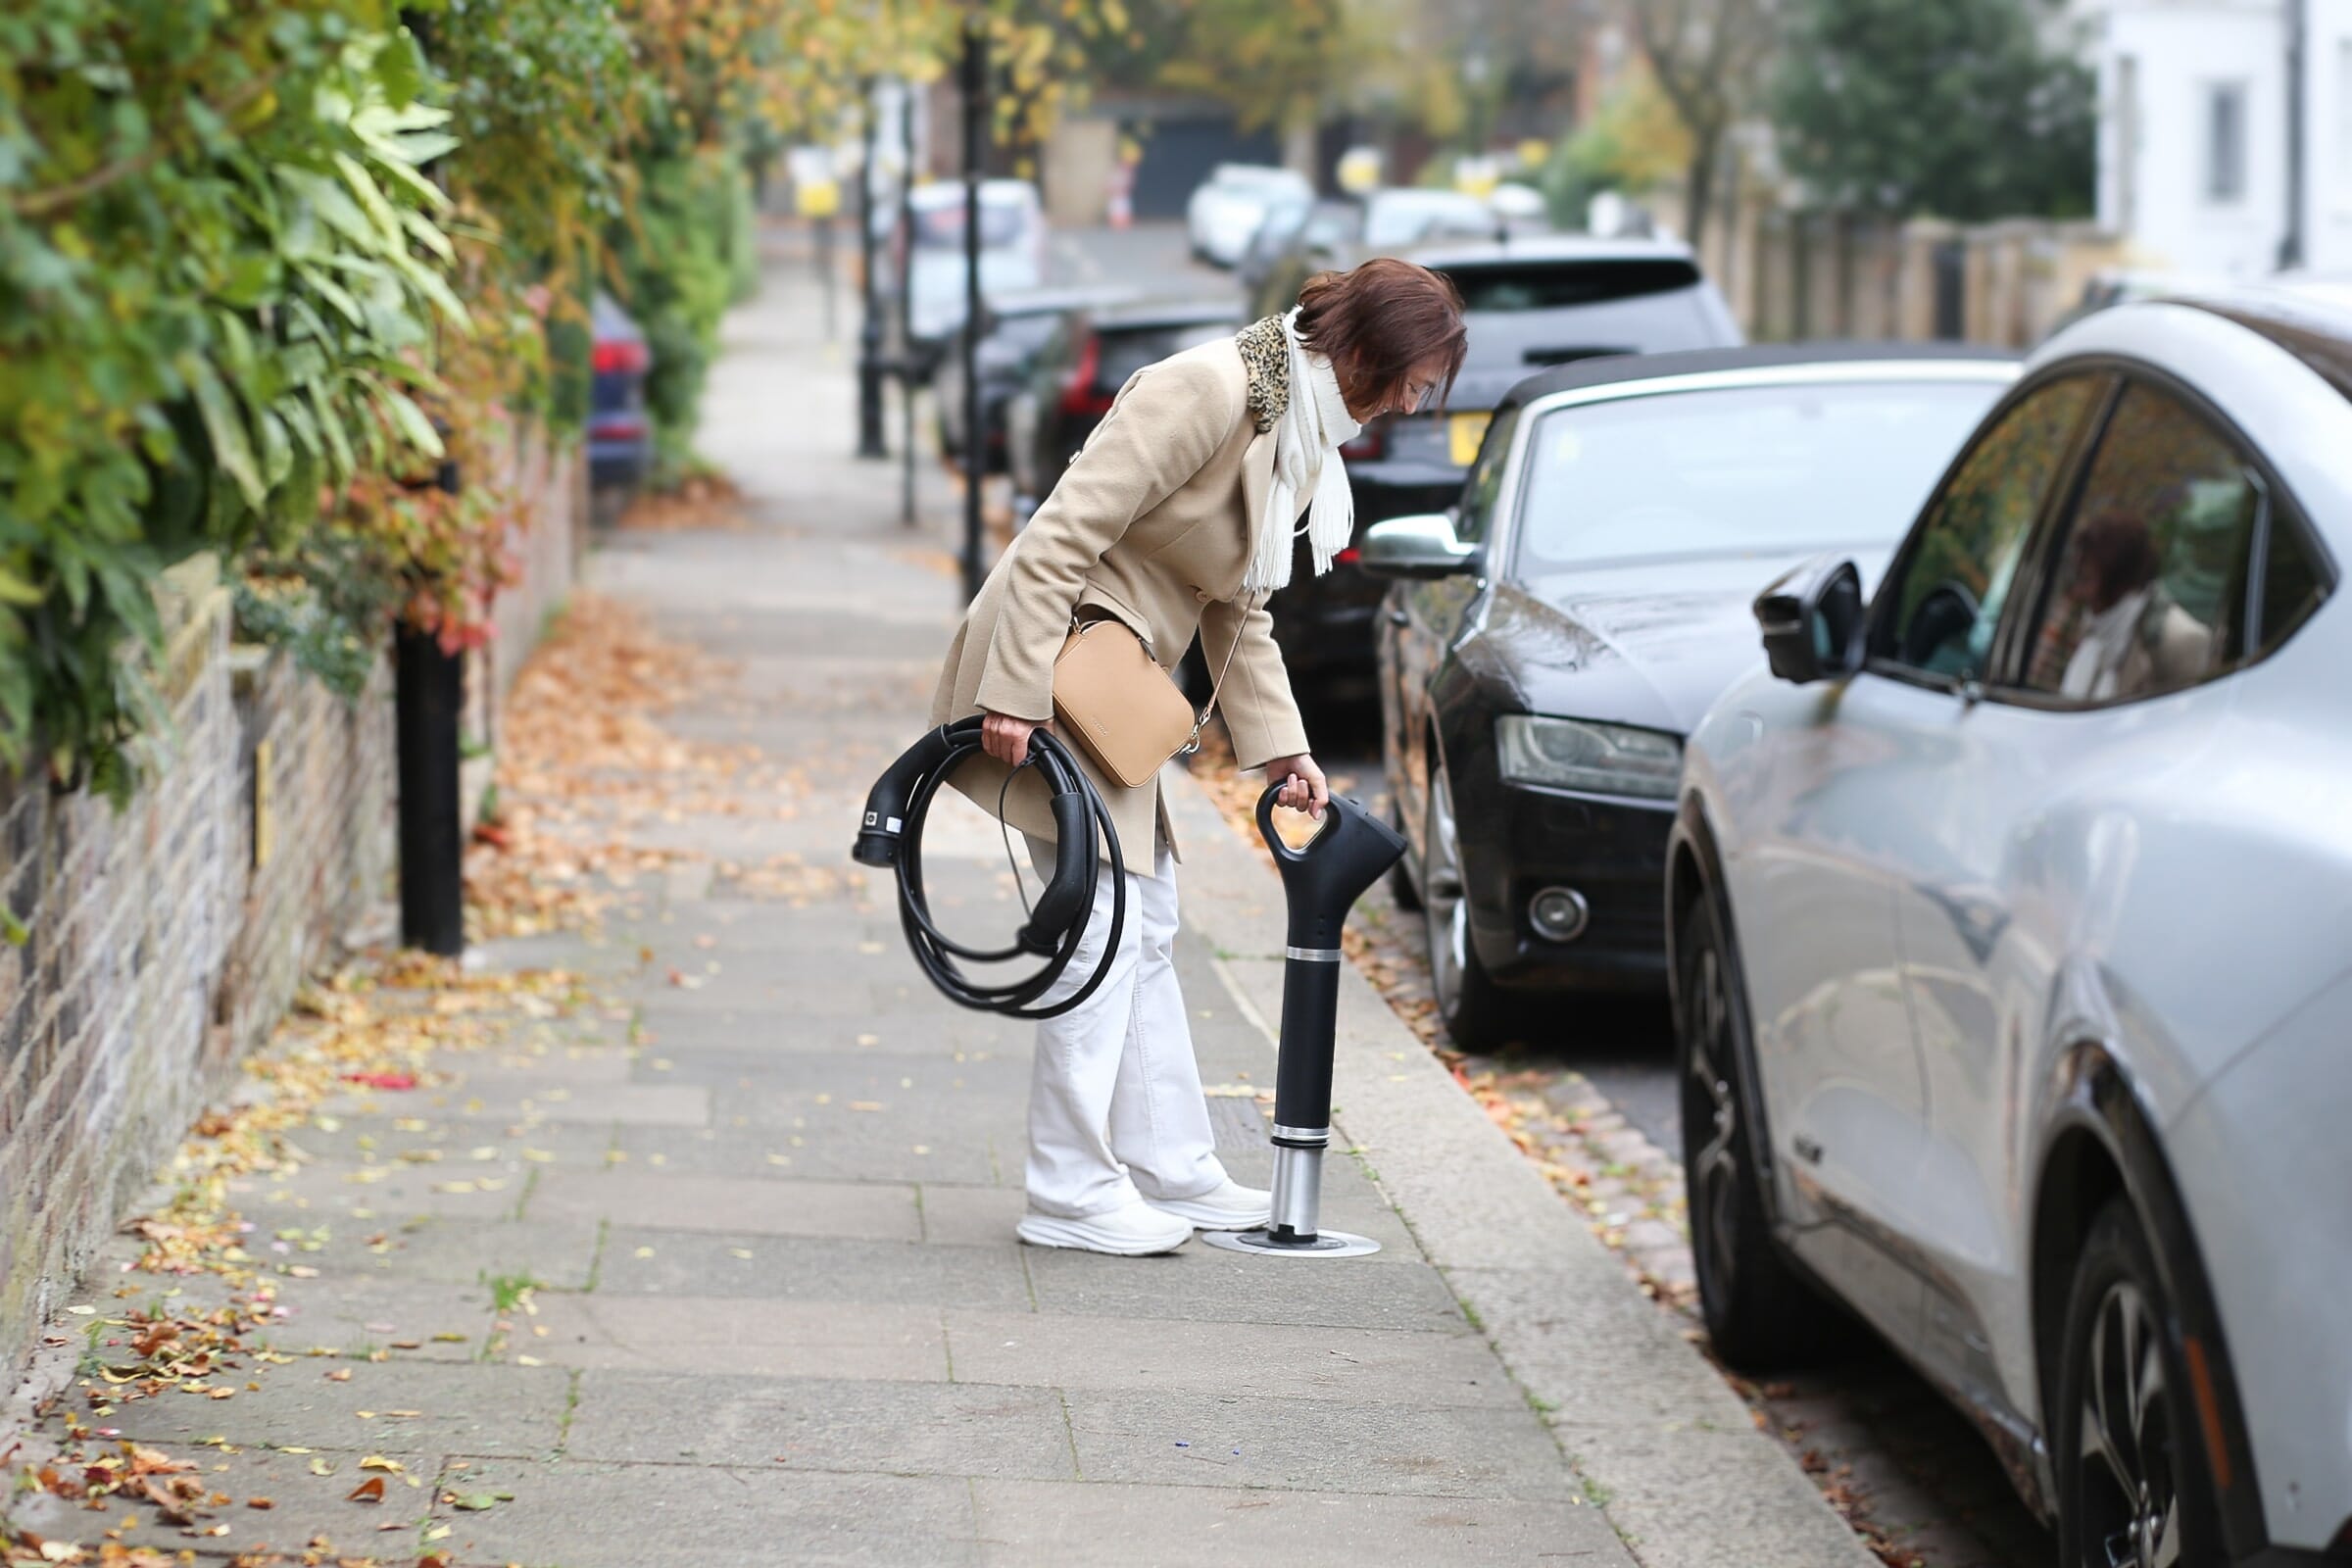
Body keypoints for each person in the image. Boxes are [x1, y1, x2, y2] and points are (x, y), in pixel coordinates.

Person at [929, 258, 1468, 1255]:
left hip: (1115, 686)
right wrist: (1012, 690)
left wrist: (1281, 753)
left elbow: (1238, 606)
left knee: (1150, 916)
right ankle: (1070, 1187)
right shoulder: (1207, 391)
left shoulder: (1295, 430)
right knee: (1101, 923)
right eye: (1409, 379)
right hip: (1057, 666)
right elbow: (1058, 534)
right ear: (1358, 351)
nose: (1408, 402)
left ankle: (1170, 1162)